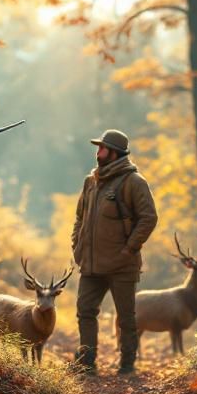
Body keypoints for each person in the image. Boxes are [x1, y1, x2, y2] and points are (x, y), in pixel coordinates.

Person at [71, 129, 158, 375]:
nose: (97, 152)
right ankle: (87, 363)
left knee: (126, 318)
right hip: (89, 264)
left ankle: (127, 365)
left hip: (122, 265)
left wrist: (129, 249)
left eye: (102, 148)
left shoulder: (135, 182)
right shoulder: (91, 181)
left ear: (114, 152)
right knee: (85, 311)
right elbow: (79, 217)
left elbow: (149, 218)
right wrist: (76, 245)